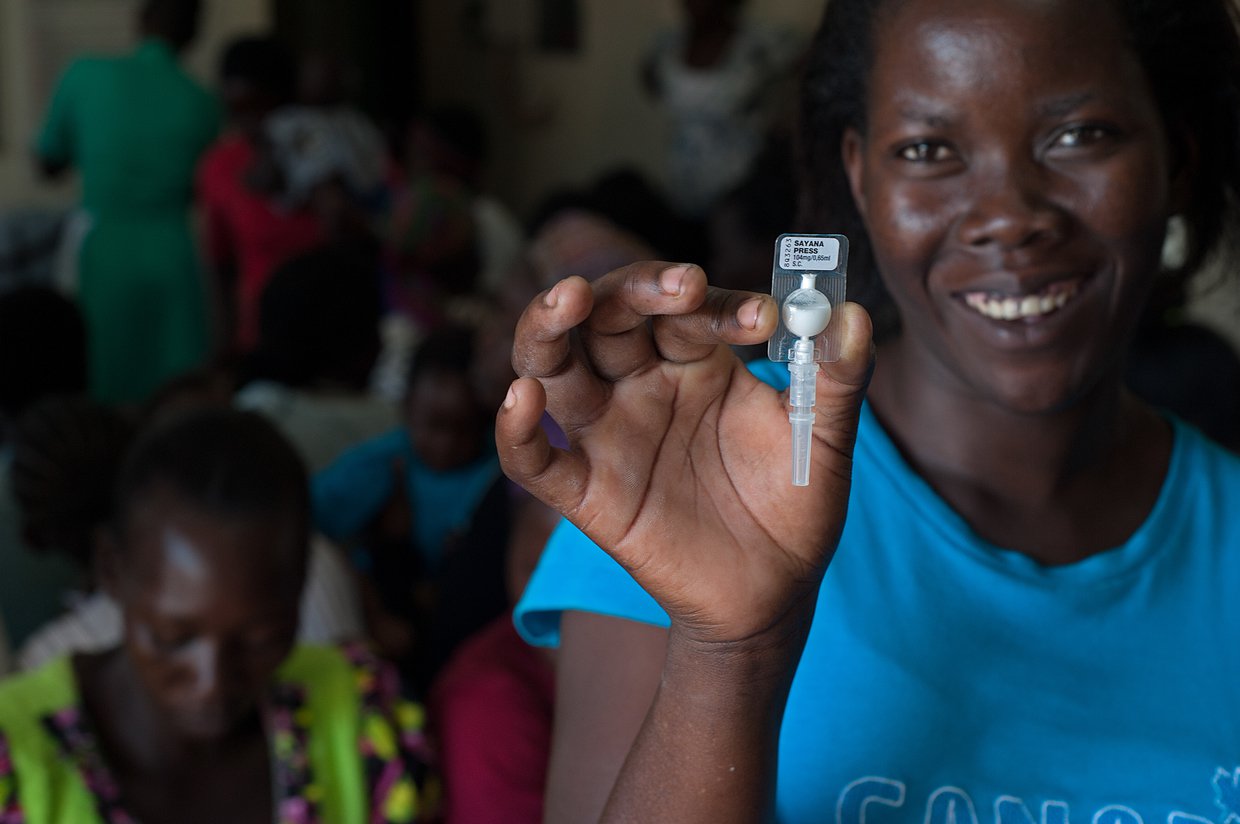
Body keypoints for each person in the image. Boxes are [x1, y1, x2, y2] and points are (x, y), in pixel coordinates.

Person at [496, 0, 1240, 822]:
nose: (1009, 216)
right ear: (860, 176)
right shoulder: (694, 476)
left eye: (1079, 135)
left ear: (1177, 157)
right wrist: (730, 650)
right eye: (927, 150)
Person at [0, 408, 431, 823]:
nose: (213, 683)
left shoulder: (362, 715)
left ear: (302, 586)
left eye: (262, 641)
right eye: (172, 638)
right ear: (112, 570)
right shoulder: (15, 756)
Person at [32, 0, 220, 405]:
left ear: (142, 20)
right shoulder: (203, 102)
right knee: (176, 393)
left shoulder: (85, 75)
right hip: (174, 255)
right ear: (193, 34)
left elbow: (47, 162)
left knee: (99, 378)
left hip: (101, 251)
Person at [196, 35, 325, 354]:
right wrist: (223, 348)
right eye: (235, 110)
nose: (248, 123)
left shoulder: (327, 153)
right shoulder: (221, 166)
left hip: (336, 334)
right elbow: (220, 267)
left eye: (258, 108)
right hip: (260, 340)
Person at [641, 0, 805, 228]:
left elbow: (813, 65)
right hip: (680, 194)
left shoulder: (762, 44)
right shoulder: (666, 47)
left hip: (744, 197)